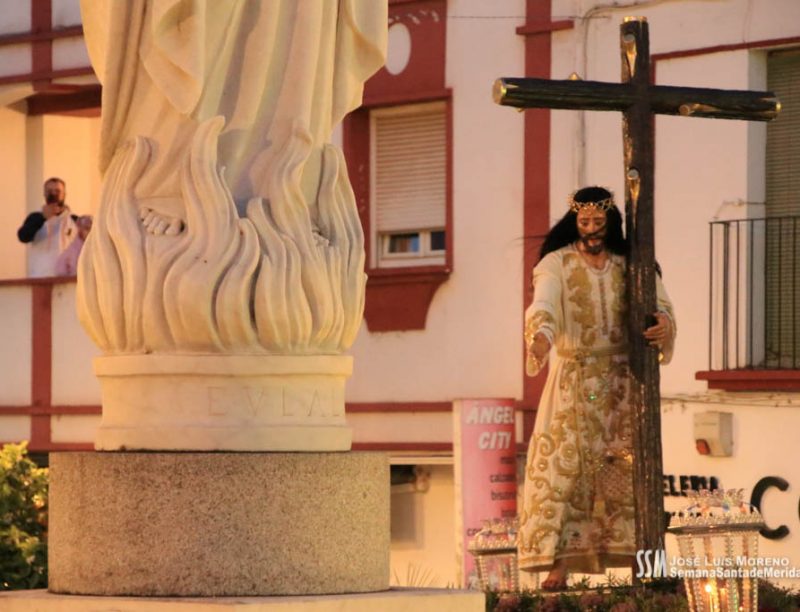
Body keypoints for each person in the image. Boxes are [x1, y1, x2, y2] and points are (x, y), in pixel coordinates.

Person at [517, 186, 676, 590]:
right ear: (575, 223)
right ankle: (559, 566)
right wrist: (541, 335)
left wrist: (663, 324)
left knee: (631, 473)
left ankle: (647, 566)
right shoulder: (555, 263)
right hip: (574, 382)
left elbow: (661, 305)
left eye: (598, 222)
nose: (591, 229)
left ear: (611, 223)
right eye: (584, 222)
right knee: (566, 471)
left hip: (625, 382)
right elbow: (544, 303)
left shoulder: (632, 263)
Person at [17, 178, 78, 278]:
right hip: (40, 278)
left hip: (68, 279)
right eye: (49, 191)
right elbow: (23, 237)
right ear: (44, 194)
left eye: (57, 191)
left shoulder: (75, 220)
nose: (53, 194)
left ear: (64, 194)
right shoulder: (35, 217)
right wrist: (43, 217)